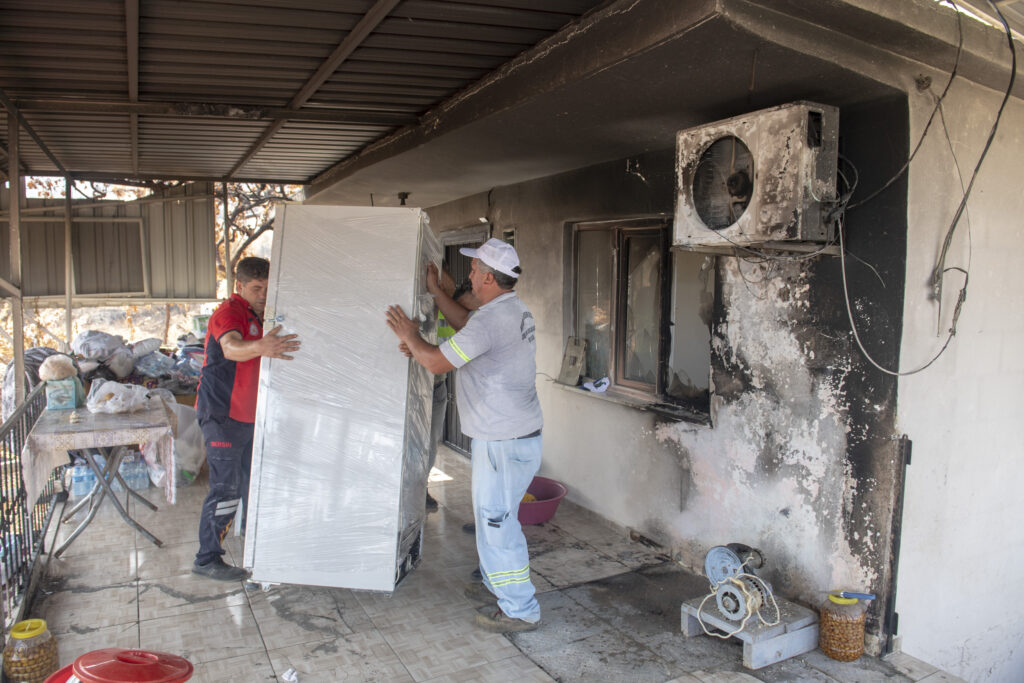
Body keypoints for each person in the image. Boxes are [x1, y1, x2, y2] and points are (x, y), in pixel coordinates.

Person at [386, 238, 543, 633]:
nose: (469, 274)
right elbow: (464, 325)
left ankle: (520, 610)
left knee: (497, 525)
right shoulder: (510, 309)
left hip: (503, 442)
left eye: (474, 270)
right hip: (513, 437)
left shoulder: (490, 321)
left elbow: (437, 363)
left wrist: (412, 337)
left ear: (489, 278)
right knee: (496, 520)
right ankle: (499, 589)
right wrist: (434, 297)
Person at [192, 257, 300, 581]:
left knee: (254, 483)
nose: (263, 294)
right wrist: (262, 346)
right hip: (222, 414)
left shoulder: (261, 314)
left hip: (251, 416)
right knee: (226, 488)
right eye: (256, 288)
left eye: (268, 287)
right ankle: (206, 559)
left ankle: (256, 547)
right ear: (239, 286)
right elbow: (230, 348)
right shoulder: (230, 312)